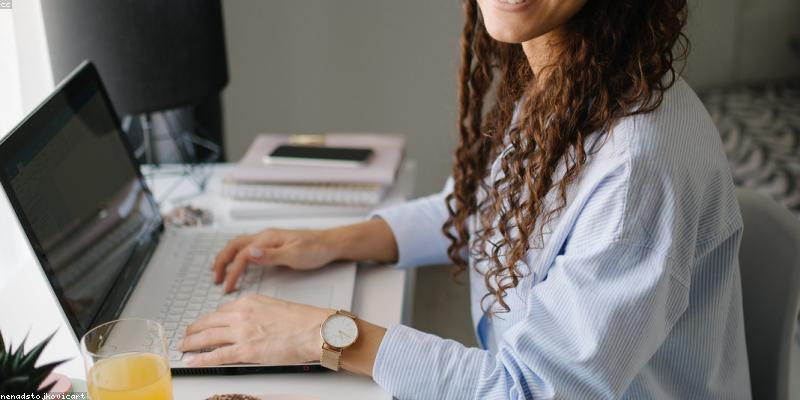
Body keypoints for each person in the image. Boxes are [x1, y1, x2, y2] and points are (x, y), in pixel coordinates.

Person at [180, 0, 752, 398]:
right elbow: (486, 208)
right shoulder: (575, 75)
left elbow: (525, 391)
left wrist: (320, 333)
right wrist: (330, 241)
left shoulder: (637, 171)